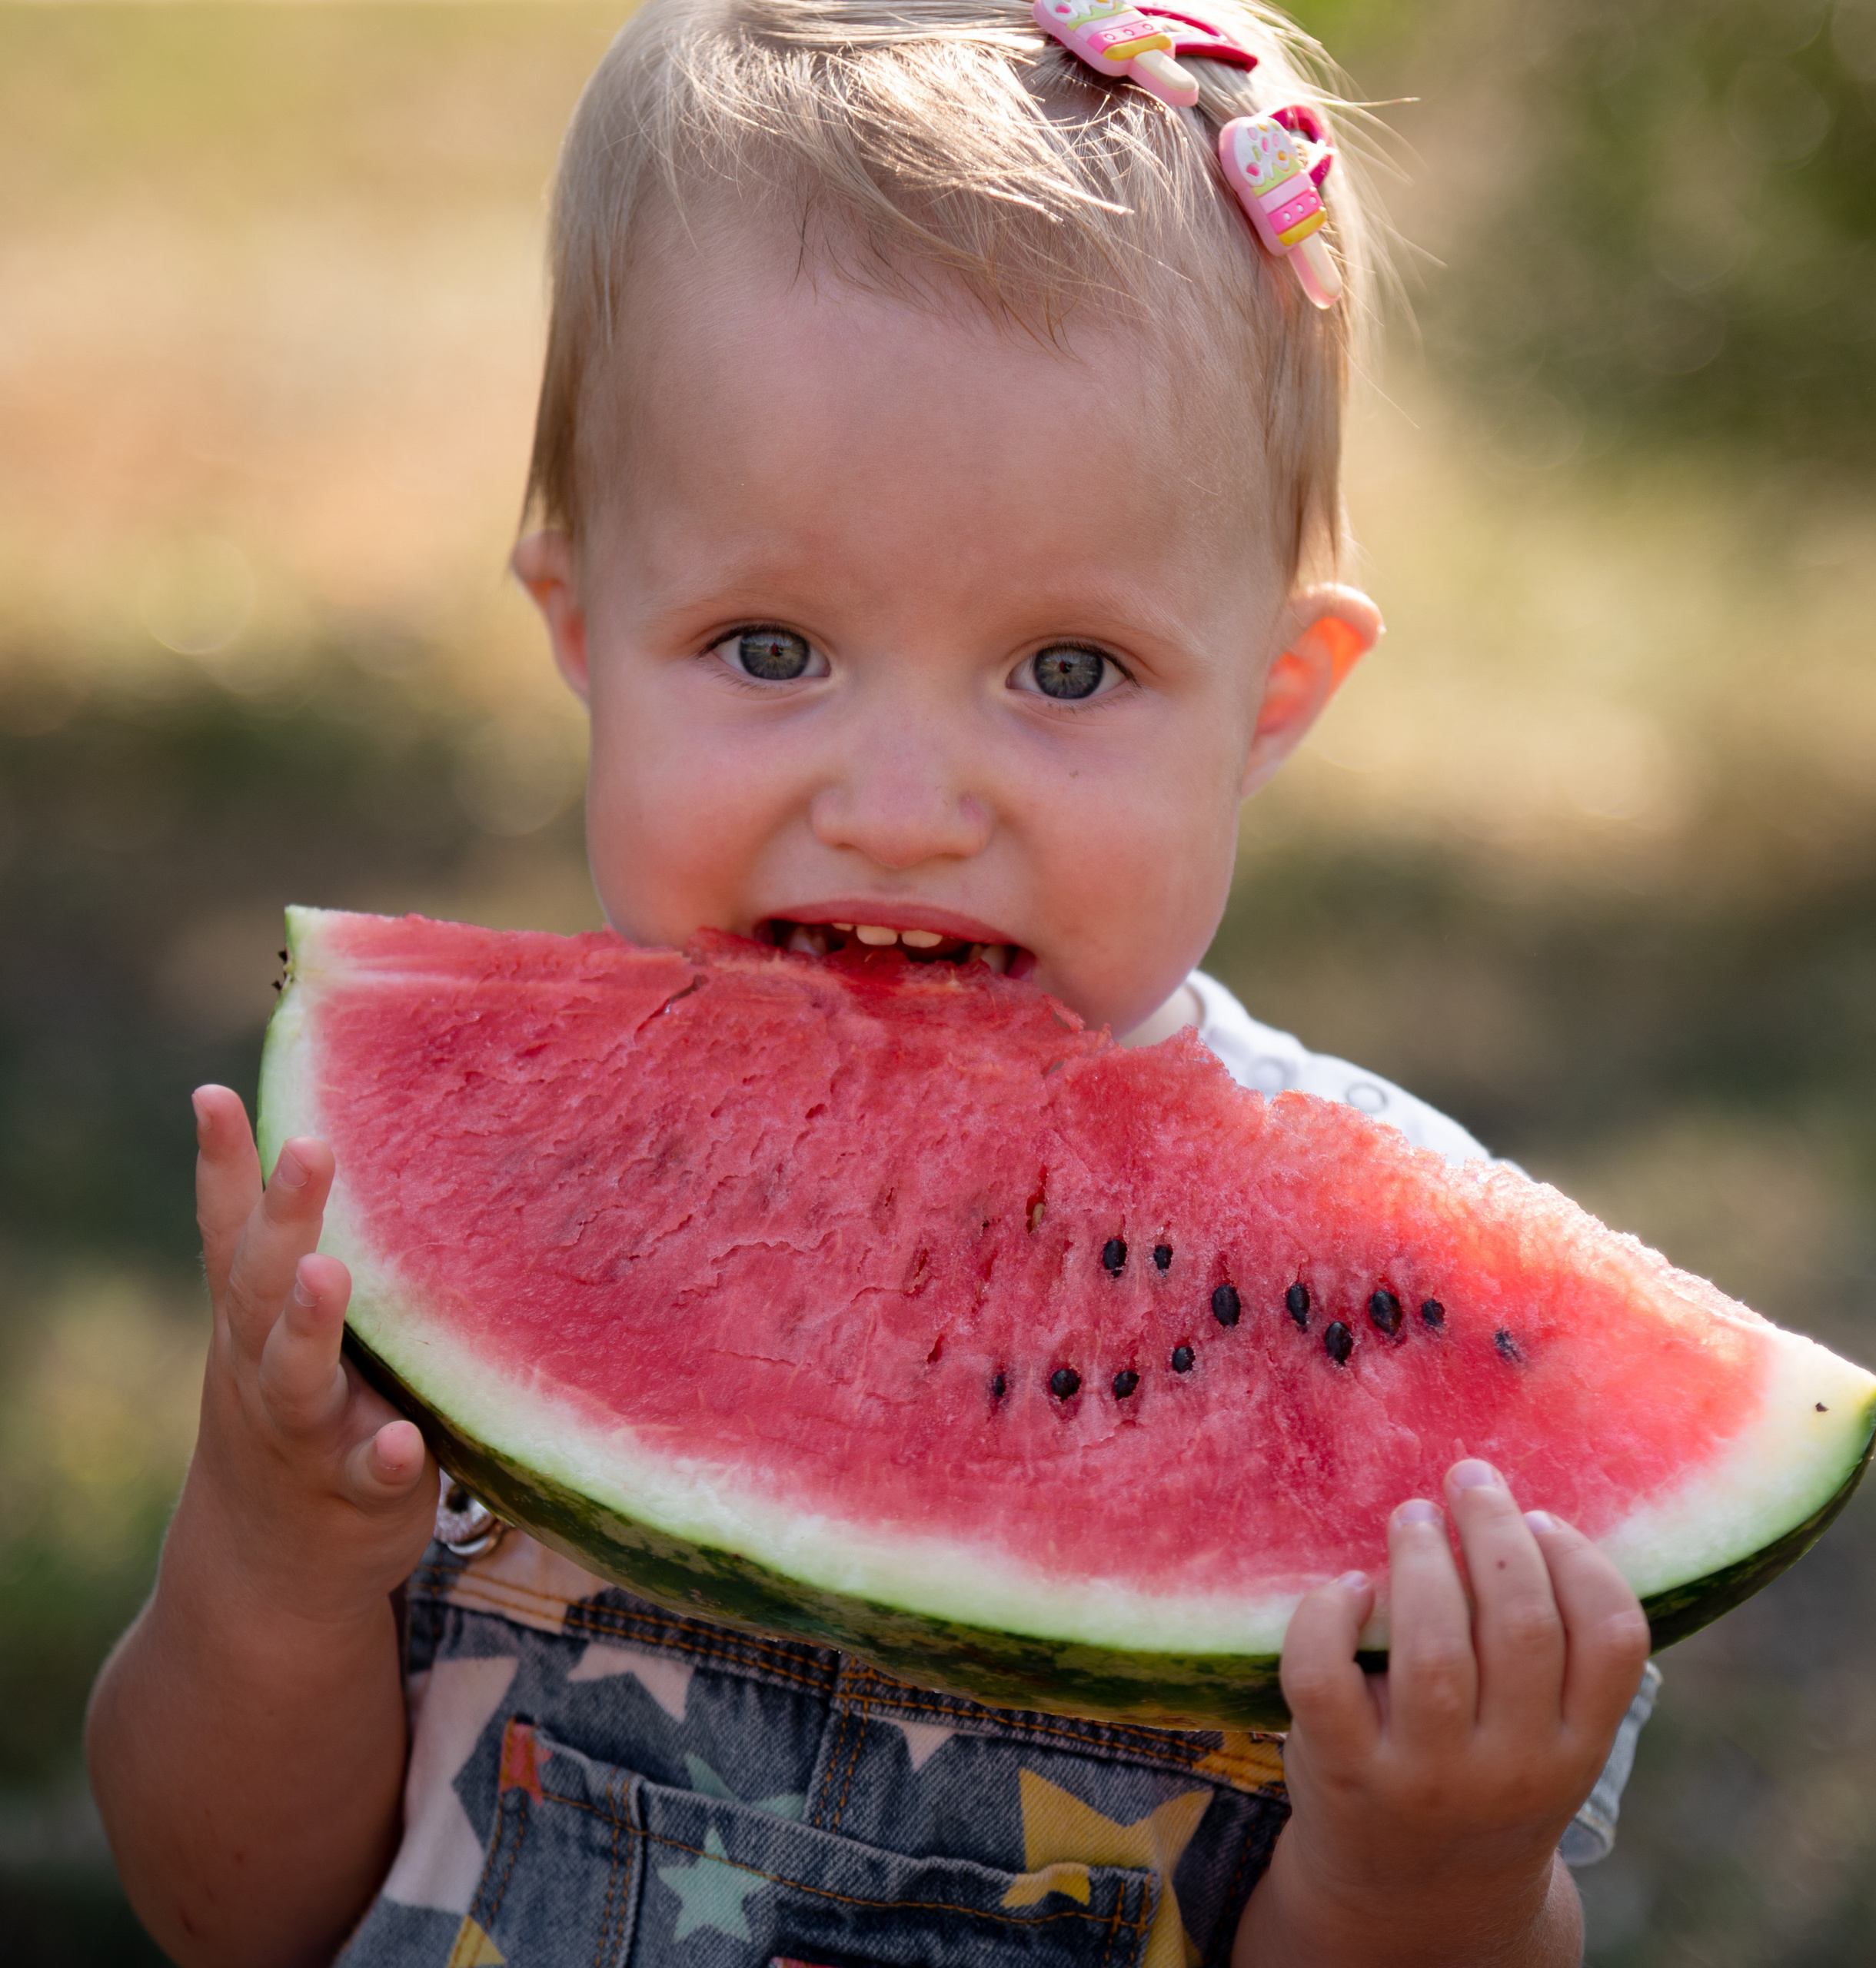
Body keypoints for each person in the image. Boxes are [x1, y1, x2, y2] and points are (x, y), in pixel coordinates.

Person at [86, 2, 1658, 1962]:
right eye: (770, 647)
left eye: (1066, 670)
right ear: (581, 623)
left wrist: (1435, 1864)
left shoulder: (1407, 1323)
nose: (901, 811)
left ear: (1270, 699)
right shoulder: (417, 1245)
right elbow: (224, 1907)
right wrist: (276, 1557)